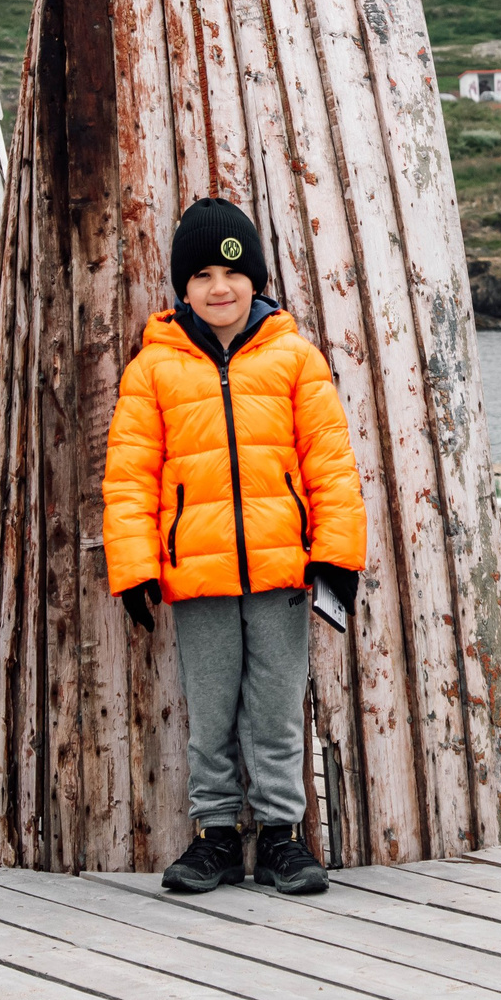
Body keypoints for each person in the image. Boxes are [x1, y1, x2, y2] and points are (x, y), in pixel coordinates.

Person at [101, 196, 366, 895]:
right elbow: (129, 476)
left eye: (233, 273)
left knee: (276, 708)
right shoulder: (153, 369)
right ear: (182, 288)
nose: (220, 288)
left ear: (255, 280)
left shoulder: (294, 359)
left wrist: (336, 555)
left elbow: (332, 465)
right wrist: (134, 567)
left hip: (282, 572)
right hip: (197, 573)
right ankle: (214, 836)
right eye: (202, 277)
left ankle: (281, 835)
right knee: (210, 709)